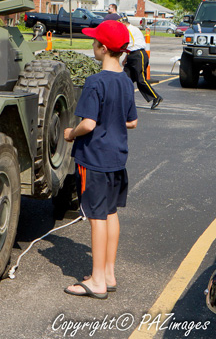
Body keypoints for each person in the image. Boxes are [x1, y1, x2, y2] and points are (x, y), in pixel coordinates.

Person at [63, 20, 138, 299]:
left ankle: (96, 282)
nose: (92, 45)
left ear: (103, 48)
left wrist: (71, 133)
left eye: (94, 41)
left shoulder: (95, 82)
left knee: (96, 217)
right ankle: (108, 273)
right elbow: (132, 122)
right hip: (117, 158)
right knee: (110, 213)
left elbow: (89, 124)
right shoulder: (125, 81)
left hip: (94, 158)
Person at [120, 16, 163, 109]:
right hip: (132, 54)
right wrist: (126, 58)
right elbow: (131, 47)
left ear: (124, 23)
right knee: (125, 79)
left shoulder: (130, 30)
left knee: (141, 80)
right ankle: (125, 101)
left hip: (139, 55)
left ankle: (156, 97)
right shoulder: (128, 30)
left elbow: (129, 45)